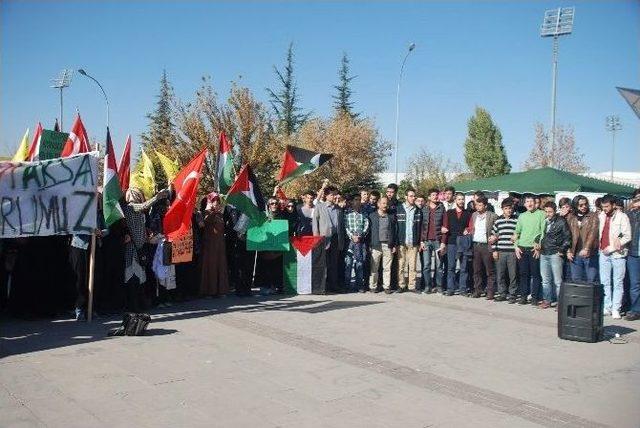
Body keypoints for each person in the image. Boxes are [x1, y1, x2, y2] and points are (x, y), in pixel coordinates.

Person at [598, 194, 631, 319]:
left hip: (617, 254)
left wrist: (613, 246)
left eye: (607, 206)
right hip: (603, 253)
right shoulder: (601, 216)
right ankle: (607, 306)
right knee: (605, 282)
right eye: (603, 207)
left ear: (613, 205)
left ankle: (616, 308)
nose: (605, 209)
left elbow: (627, 235)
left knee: (617, 282)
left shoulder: (622, 217)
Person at [513, 194, 546, 306]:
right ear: (524, 203)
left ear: (535, 202)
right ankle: (523, 296)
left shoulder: (541, 214)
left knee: (535, 274)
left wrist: (539, 246)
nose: (529, 203)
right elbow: (517, 232)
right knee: (523, 274)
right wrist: (516, 246)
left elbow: (543, 232)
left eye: (531, 201)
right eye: (527, 201)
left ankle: (535, 297)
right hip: (522, 248)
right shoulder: (522, 216)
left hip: (534, 249)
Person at [538, 201, 572, 309]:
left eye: (550, 212)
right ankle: (547, 300)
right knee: (545, 280)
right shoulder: (544, 221)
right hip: (544, 253)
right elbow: (540, 235)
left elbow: (568, 238)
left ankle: (560, 302)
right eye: (546, 211)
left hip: (555, 253)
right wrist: (536, 242)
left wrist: (561, 250)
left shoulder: (561, 221)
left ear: (555, 210)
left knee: (558, 281)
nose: (548, 214)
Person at [312, 185, 345, 293]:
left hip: (336, 238)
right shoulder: (319, 207)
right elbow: (315, 224)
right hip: (323, 238)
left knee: (334, 263)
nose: (334, 196)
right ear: (326, 196)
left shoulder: (339, 209)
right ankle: (322, 286)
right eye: (332, 194)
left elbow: (341, 226)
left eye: (335, 194)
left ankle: (333, 285)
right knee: (323, 263)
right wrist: (316, 238)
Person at [199, 193, 230, 297]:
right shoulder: (206, 213)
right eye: (214, 202)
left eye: (218, 202)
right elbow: (204, 223)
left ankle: (221, 290)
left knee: (220, 266)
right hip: (210, 245)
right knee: (211, 266)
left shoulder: (221, 214)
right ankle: (209, 291)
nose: (216, 204)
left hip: (220, 244)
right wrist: (211, 211)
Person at [442, 192, 473, 296]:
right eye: (459, 199)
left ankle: (462, 289)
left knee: (463, 267)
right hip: (452, 242)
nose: (461, 201)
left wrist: (468, 229)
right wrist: (443, 242)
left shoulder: (468, 213)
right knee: (451, 266)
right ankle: (450, 289)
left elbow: (471, 227)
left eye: (462, 199)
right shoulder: (449, 212)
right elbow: (445, 226)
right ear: (455, 200)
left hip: (464, 243)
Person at [469, 196, 498, 299]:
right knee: (476, 270)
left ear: (485, 205)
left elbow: (499, 229)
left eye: (480, 205)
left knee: (489, 270)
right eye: (476, 205)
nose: (478, 207)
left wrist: (495, 236)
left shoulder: (493, 216)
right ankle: (478, 290)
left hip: (487, 246)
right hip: (476, 245)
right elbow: (471, 228)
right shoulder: (474, 215)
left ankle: (490, 292)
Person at [566, 195, 599, 283]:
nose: (584, 206)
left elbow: (593, 233)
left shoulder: (592, 216)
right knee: (576, 279)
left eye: (585, 204)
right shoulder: (571, 217)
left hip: (589, 253)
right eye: (581, 205)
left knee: (591, 280)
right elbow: (567, 235)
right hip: (575, 253)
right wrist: (568, 250)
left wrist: (586, 248)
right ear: (575, 206)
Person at [368, 196, 397, 294]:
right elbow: (369, 231)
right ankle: (373, 286)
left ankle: (386, 286)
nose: (385, 205)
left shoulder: (391, 217)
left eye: (386, 203)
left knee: (387, 267)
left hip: (387, 245)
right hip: (375, 245)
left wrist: (394, 245)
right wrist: (369, 245)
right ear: (378, 204)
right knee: (374, 267)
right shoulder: (372, 216)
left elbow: (395, 231)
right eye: (383, 203)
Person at [491, 198, 519, 303]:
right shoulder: (498, 221)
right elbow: (493, 236)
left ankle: (512, 294)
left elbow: (519, 234)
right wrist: (494, 250)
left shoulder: (517, 220)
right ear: (502, 209)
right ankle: (502, 293)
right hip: (501, 251)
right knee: (500, 274)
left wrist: (517, 238)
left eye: (510, 208)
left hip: (512, 252)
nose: (508, 210)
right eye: (506, 208)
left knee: (513, 275)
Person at [420, 188, 446, 294]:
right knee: (426, 265)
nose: (435, 197)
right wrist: (421, 241)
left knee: (439, 266)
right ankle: (427, 286)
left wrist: (443, 242)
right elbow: (421, 226)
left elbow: (445, 226)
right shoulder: (424, 209)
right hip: (426, 241)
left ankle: (439, 286)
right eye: (433, 195)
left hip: (438, 241)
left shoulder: (441, 208)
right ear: (429, 197)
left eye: (436, 195)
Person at [396, 188, 422, 292]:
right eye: (411, 196)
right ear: (406, 197)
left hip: (413, 242)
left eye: (414, 196)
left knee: (413, 266)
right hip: (401, 242)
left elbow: (420, 227)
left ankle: (412, 286)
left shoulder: (418, 210)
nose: (413, 198)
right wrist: (396, 242)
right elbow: (395, 227)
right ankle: (401, 285)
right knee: (401, 265)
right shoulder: (399, 209)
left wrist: (420, 241)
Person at [344, 194, 370, 292]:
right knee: (348, 263)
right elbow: (345, 227)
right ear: (351, 202)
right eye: (355, 200)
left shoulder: (364, 214)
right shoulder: (347, 214)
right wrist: (352, 236)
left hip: (360, 242)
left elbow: (367, 226)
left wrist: (361, 235)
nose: (358, 202)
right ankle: (347, 285)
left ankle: (359, 285)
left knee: (360, 263)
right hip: (350, 243)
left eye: (359, 200)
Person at [626, 193, 640, 321]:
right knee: (634, 283)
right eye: (636, 199)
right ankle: (636, 310)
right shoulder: (630, 215)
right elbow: (623, 231)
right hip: (634, 253)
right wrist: (618, 239)